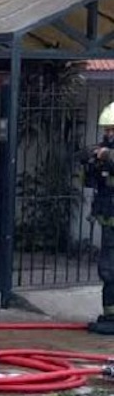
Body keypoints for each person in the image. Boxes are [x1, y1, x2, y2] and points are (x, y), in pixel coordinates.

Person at [84, 102, 114, 334]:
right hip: (108, 223)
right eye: (106, 130)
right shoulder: (105, 152)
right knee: (107, 271)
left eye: (112, 130)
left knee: (110, 270)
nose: (107, 134)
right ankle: (109, 315)